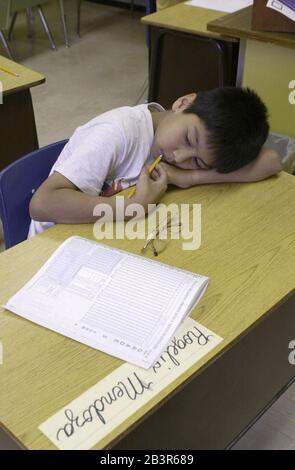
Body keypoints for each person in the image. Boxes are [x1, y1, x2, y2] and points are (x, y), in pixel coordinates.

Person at [28, 87, 282, 237]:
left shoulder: (195, 148)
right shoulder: (119, 132)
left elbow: (271, 161)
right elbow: (42, 204)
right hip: (53, 245)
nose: (180, 157)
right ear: (184, 103)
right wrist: (136, 206)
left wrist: (189, 177)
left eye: (198, 162)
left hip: (104, 234)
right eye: (188, 139)